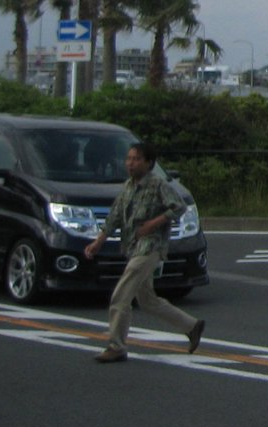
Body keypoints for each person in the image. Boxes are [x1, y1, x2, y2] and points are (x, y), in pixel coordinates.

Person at [83, 141, 206, 364]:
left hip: (151, 246)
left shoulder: (158, 185)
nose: (131, 163)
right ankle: (191, 326)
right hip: (133, 246)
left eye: (136, 159)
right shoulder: (128, 187)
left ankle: (116, 346)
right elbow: (115, 217)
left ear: (148, 163)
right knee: (147, 299)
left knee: (121, 296)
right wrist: (98, 241)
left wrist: (154, 223)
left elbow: (178, 207)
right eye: (129, 159)